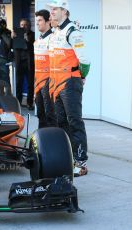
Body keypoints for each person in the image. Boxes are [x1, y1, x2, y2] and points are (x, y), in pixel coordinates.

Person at [47, 0, 91, 176]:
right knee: (61, 122)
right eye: (51, 9)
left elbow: (85, 60)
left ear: (64, 11)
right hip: (56, 84)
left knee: (74, 121)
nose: (52, 12)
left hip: (70, 83)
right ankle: (69, 158)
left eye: (55, 9)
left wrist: (81, 76)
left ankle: (81, 163)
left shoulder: (73, 31)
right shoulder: (56, 31)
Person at [33, 10, 57, 128]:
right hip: (38, 82)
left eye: (40, 20)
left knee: (50, 114)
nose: (37, 23)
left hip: (49, 82)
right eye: (36, 21)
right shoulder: (38, 39)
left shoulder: (53, 39)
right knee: (40, 114)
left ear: (48, 21)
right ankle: (41, 140)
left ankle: (53, 141)